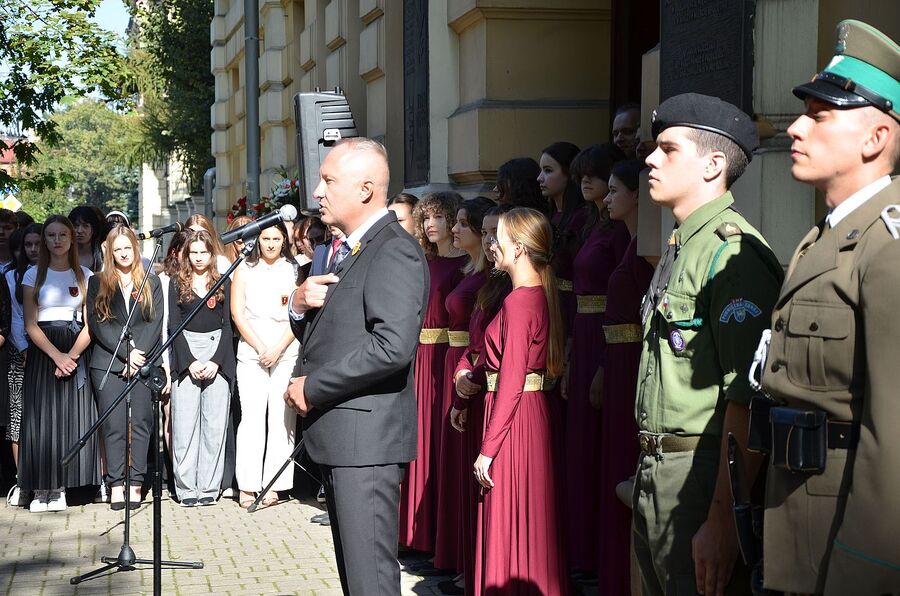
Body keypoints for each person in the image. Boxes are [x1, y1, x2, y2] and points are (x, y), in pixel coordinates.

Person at [756, 21, 900, 595]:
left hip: (847, 543)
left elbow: (893, 434)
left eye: (819, 116)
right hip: (799, 525)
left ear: (874, 139)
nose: (795, 128)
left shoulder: (886, 247)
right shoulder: (822, 238)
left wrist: (867, 570)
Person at [632, 93, 783, 596]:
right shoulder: (683, 244)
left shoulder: (731, 252)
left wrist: (723, 518)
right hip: (657, 473)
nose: (651, 158)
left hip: (702, 476)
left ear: (713, 164)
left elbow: (747, 396)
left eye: (668, 149)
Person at [284, 137, 427, 594]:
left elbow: (392, 348)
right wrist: (297, 304)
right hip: (344, 439)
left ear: (366, 189)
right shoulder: (343, 248)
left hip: (366, 441)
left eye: (328, 181)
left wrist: (313, 387)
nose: (318, 192)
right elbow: (334, 334)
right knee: (356, 579)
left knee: (371, 581)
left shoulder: (394, 250)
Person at [472, 207, 567, 594]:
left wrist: (487, 450)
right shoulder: (533, 296)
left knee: (507, 514)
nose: (493, 245)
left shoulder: (519, 301)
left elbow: (510, 381)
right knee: (526, 518)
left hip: (512, 420)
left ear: (520, 248)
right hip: (526, 415)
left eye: (501, 239)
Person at [564, 143, 630, 574]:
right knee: (581, 447)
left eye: (596, 174)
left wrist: (603, 362)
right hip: (583, 336)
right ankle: (582, 550)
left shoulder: (621, 232)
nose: (588, 183)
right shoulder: (588, 223)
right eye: (581, 175)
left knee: (599, 447)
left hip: (607, 340)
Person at [448, 202, 513, 596]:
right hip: (474, 387)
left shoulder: (513, 290)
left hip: (494, 396)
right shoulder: (490, 283)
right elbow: (475, 342)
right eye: (485, 233)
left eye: (494, 234)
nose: (489, 242)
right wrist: (460, 372)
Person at [596, 159, 654, 595]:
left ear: (637, 195)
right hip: (615, 361)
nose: (608, 197)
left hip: (632, 361)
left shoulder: (645, 250)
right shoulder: (628, 243)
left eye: (616, 190)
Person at [401, 191, 467, 556]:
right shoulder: (421, 261)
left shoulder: (465, 267)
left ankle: (442, 537)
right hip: (420, 358)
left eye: (439, 217)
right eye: (426, 218)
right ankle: (414, 534)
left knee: (441, 442)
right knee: (418, 440)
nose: (430, 224)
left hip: (446, 355)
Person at [19, 215, 100, 512]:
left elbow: (92, 326)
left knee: (71, 418)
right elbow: (30, 324)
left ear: (71, 239)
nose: (57, 241)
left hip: (76, 345)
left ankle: (63, 486)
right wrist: (57, 356)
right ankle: (43, 488)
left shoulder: (86, 274)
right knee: (42, 419)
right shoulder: (32, 275)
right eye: (51, 236)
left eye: (62, 235)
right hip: (45, 351)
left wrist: (72, 356)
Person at [433, 196, 494, 575]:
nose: (454, 230)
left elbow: (478, 336)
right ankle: (458, 554)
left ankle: (467, 559)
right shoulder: (469, 271)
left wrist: (465, 373)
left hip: (469, 372)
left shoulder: (485, 280)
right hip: (454, 365)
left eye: (461, 224)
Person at [87, 226, 163, 510]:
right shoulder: (98, 282)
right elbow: (98, 323)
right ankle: (116, 483)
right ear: (110, 252)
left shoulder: (151, 282)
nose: (122, 254)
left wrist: (138, 356)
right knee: (114, 424)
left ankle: (136, 482)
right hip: (109, 362)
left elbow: (155, 321)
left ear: (135, 248)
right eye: (117, 249)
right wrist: (125, 354)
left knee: (141, 422)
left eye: (127, 248)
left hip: (143, 362)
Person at [231, 221, 300, 509]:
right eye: (265, 238)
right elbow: (237, 313)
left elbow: (298, 312)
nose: (270, 244)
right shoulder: (244, 269)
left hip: (286, 345)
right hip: (252, 349)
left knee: (282, 417)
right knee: (252, 417)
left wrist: (279, 347)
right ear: (256, 240)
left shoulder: (294, 269)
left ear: (284, 240)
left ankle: (274, 484)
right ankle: (247, 484)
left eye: (276, 238)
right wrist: (261, 348)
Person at [168, 228, 235, 506]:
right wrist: (190, 361)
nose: (198, 258)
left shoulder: (223, 282)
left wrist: (216, 361)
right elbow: (174, 325)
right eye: (193, 252)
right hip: (187, 353)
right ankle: (186, 489)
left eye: (203, 252)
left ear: (212, 254)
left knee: (214, 425)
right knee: (184, 425)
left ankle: (208, 487)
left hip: (217, 353)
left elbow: (228, 325)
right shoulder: (176, 283)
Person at [4, 224, 41, 506]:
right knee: (19, 418)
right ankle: (22, 480)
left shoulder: (56, 273)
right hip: (22, 354)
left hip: (53, 352)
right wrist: (26, 348)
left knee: (45, 418)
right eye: (27, 244)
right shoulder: (11, 276)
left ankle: (48, 480)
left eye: (37, 243)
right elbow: (16, 319)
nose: (33, 249)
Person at [538, 141, 586, 333]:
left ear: (568, 174)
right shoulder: (550, 216)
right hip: (546, 303)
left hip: (566, 308)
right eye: (541, 170)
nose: (540, 178)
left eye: (548, 170)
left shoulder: (581, 217)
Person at [68, 205, 106, 272]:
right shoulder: (63, 255)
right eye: (75, 226)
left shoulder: (103, 256)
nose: (80, 230)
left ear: (94, 229)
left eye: (85, 226)